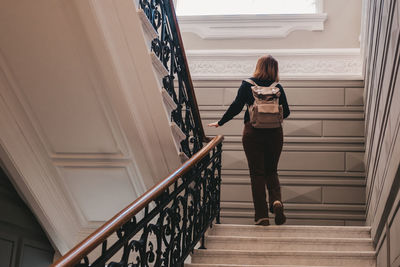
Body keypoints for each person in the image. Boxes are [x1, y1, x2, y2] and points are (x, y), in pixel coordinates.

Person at [208, 55, 290, 226]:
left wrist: (220, 122)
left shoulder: (247, 85)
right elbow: (287, 112)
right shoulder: (278, 87)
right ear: (275, 69)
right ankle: (276, 202)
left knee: (257, 173)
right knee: (272, 171)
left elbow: (236, 106)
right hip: (275, 134)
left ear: (258, 66)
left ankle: (262, 216)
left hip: (252, 132)